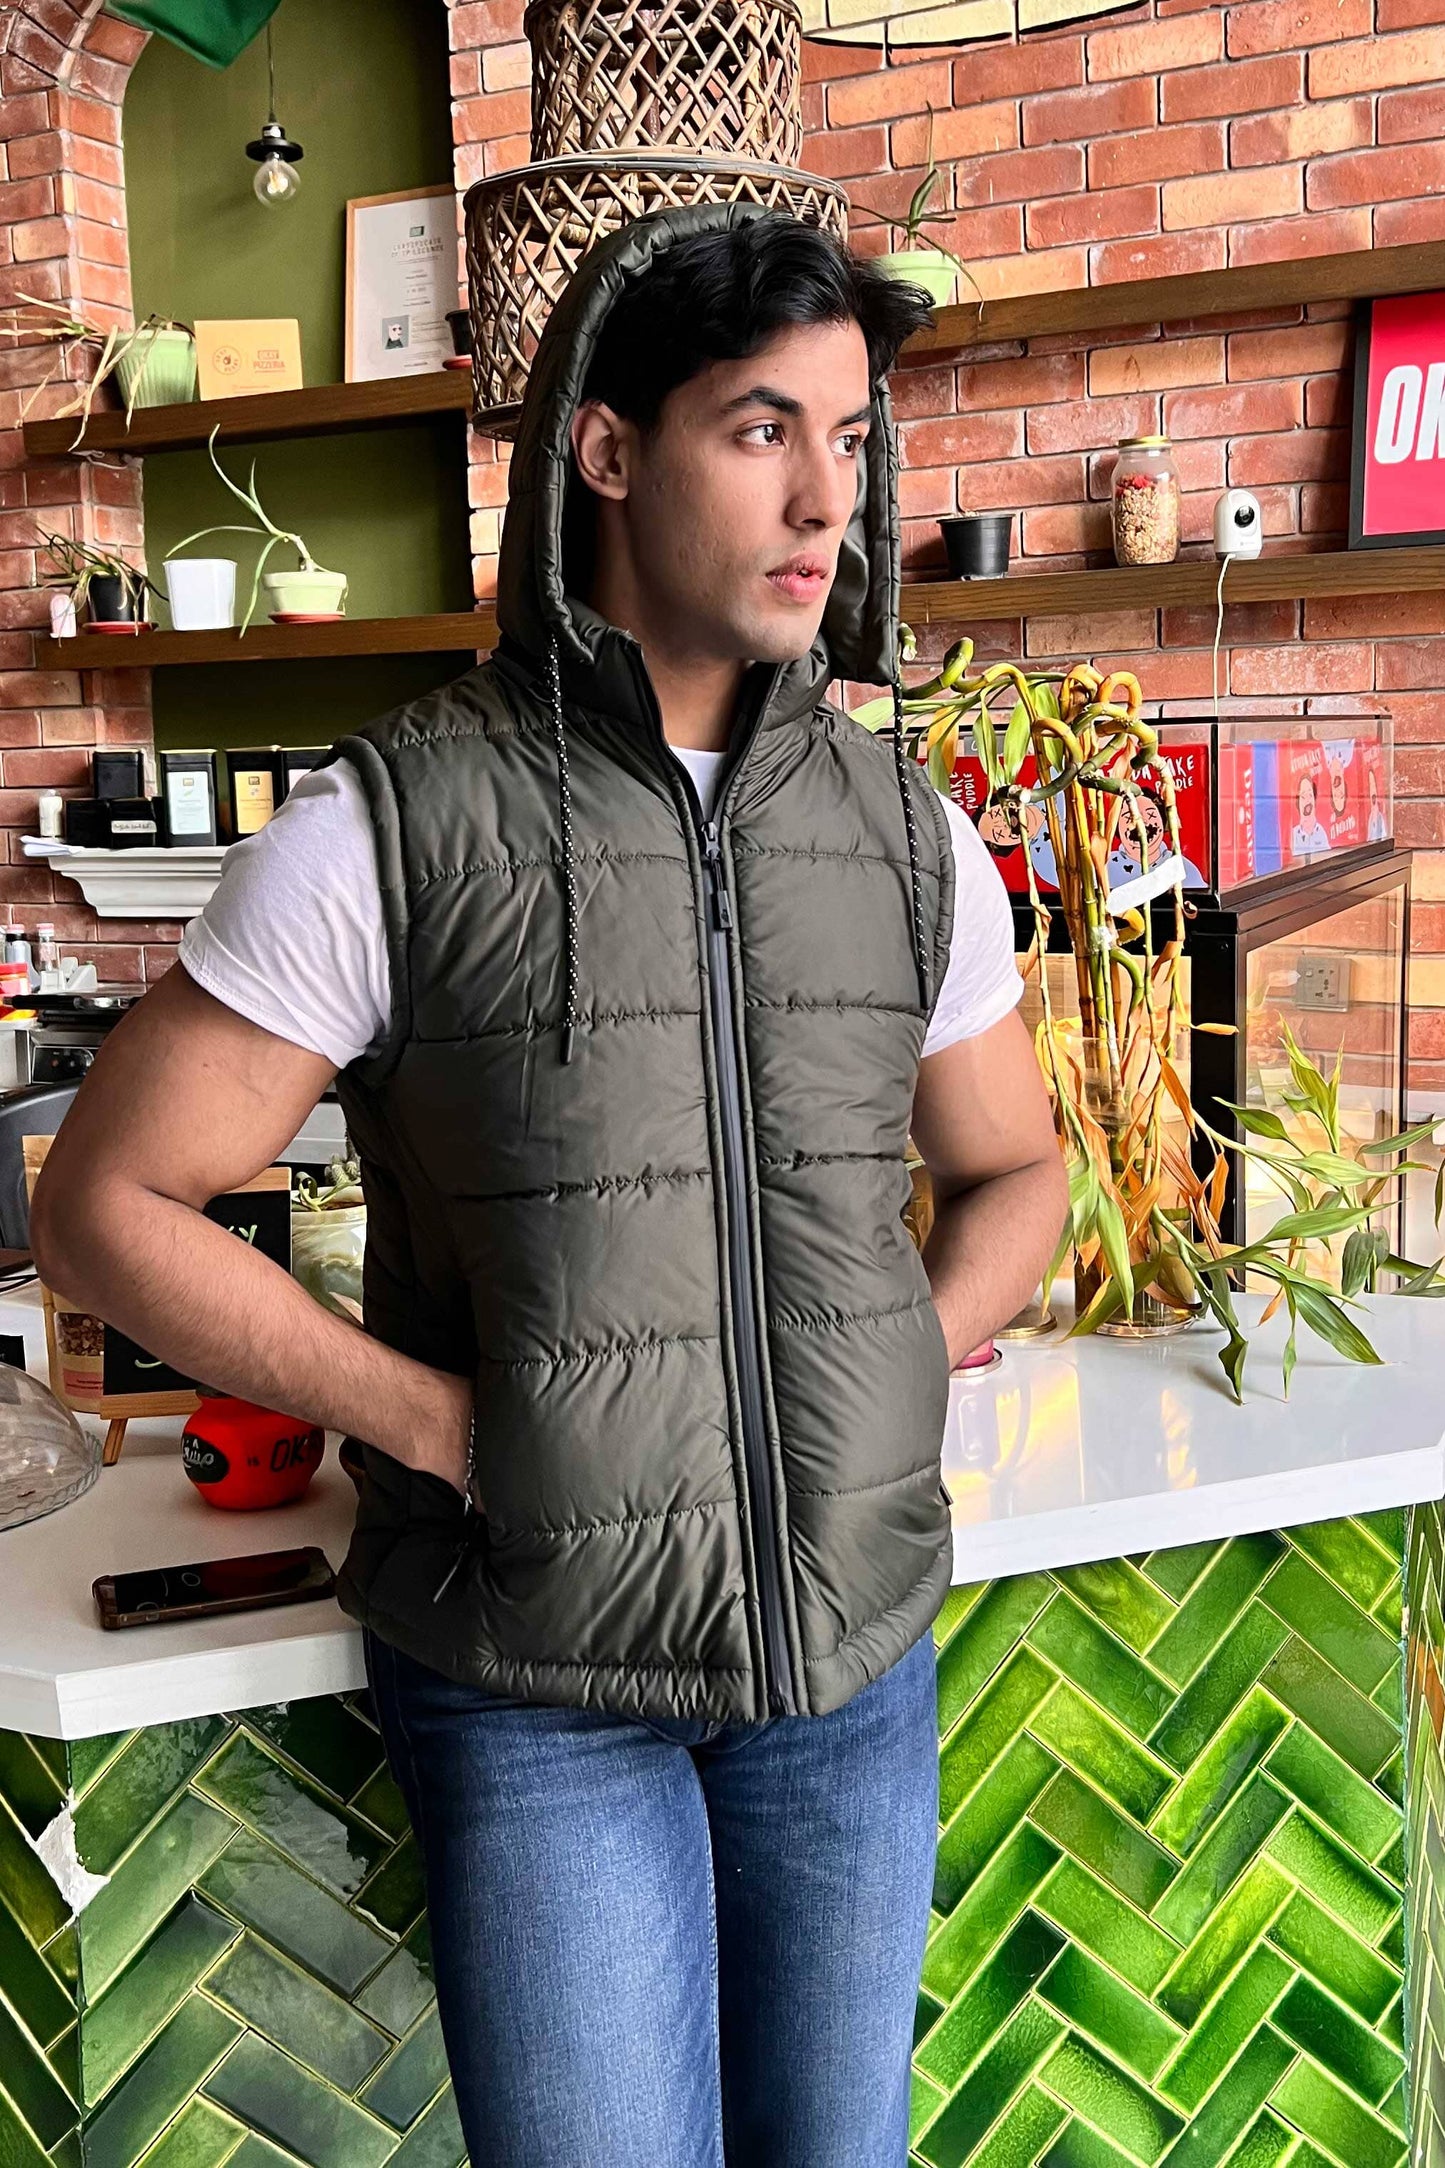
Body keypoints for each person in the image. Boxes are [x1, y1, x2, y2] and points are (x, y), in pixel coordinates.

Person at [29, 207, 1066, 2165]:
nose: (824, 498)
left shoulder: (906, 832)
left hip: (851, 1671)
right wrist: (432, 1423)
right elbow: (104, 1206)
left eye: (850, 439)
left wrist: (894, 1360)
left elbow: (1018, 1168)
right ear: (603, 445)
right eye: (760, 429)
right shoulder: (391, 828)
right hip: (538, 1686)